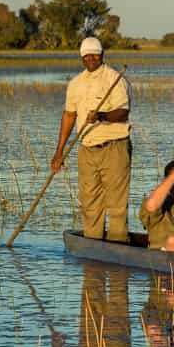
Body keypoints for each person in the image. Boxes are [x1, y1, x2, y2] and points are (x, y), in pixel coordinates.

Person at [50, 37, 132, 242]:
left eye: (95, 54)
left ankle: (116, 248)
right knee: (90, 203)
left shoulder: (115, 79)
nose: (91, 58)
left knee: (116, 205)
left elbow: (123, 112)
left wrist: (101, 116)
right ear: (82, 58)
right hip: (86, 149)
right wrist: (59, 152)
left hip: (115, 146)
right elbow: (69, 116)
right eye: (86, 55)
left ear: (102, 54)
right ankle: (94, 249)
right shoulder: (75, 84)